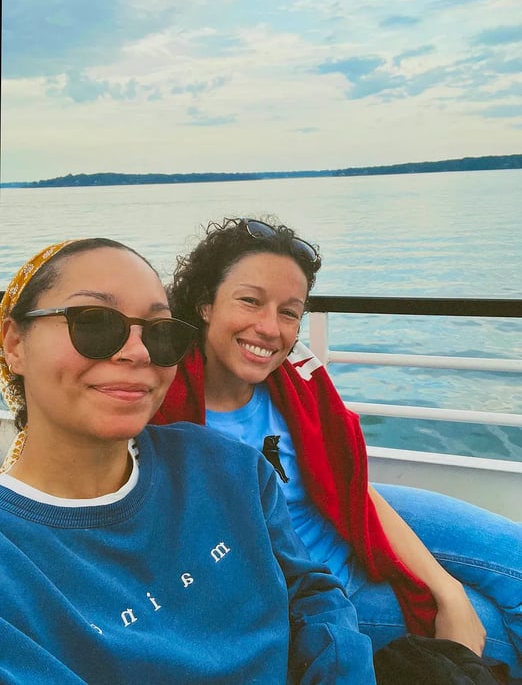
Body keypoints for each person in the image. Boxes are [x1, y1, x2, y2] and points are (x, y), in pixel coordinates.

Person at [152, 216, 522, 682]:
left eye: (289, 311)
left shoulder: (296, 381)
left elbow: (348, 485)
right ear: (206, 304)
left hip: (347, 516)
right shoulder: (161, 409)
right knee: (493, 631)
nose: (270, 327)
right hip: (323, 593)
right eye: (250, 301)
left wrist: (446, 590)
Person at [0, 238, 377, 684]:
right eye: (96, 323)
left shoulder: (227, 467)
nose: (139, 352)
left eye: (160, 332)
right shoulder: (14, 562)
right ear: (15, 343)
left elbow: (311, 593)